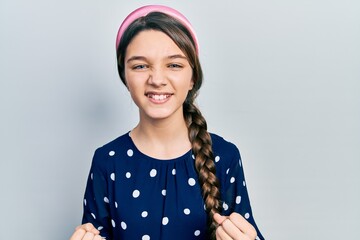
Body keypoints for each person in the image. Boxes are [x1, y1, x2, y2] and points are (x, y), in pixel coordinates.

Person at [70, 5, 264, 240]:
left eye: (174, 65)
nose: (157, 79)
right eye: (140, 66)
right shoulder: (107, 161)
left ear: (192, 77)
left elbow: (247, 230)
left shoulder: (224, 156)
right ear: (125, 77)